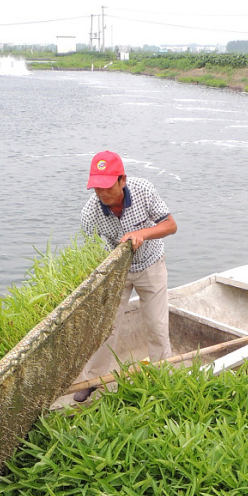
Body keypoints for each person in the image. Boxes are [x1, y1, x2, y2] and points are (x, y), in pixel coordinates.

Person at [73, 150, 177, 401]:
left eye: (108, 186)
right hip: (116, 274)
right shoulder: (90, 214)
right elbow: (90, 253)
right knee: (105, 327)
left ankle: (164, 376)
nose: (102, 194)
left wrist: (143, 233)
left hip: (150, 264)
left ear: (122, 180)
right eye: (97, 188)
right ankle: (93, 379)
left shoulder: (144, 190)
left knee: (157, 325)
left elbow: (171, 225)